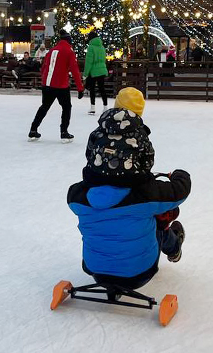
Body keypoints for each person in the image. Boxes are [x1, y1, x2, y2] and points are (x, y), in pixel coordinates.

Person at [67, 87, 190, 292]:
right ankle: (173, 246)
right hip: (139, 273)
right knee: (159, 219)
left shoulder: (78, 196)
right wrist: (180, 175)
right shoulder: (145, 195)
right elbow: (180, 190)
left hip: (94, 268)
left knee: (102, 222)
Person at [28, 38, 84, 142]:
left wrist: (44, 80)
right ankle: (64, 132)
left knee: (44, 107)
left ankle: (33, 130)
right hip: (61, 85)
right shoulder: (69, 52)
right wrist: (80, 88)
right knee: (66, 107)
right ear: (69, 42)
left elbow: (44, 67)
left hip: (47, 84)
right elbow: (75, 71)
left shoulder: (51, 51)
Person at [81, 35, 109, 115]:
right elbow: (104, 59)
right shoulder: (102, 47)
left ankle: (92, 108)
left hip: (93, 71)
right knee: (102, 89)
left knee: (92, 89)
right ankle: (105, 107)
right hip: (102, 69)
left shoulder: (91, 47)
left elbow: (89, 62)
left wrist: (85, 74)